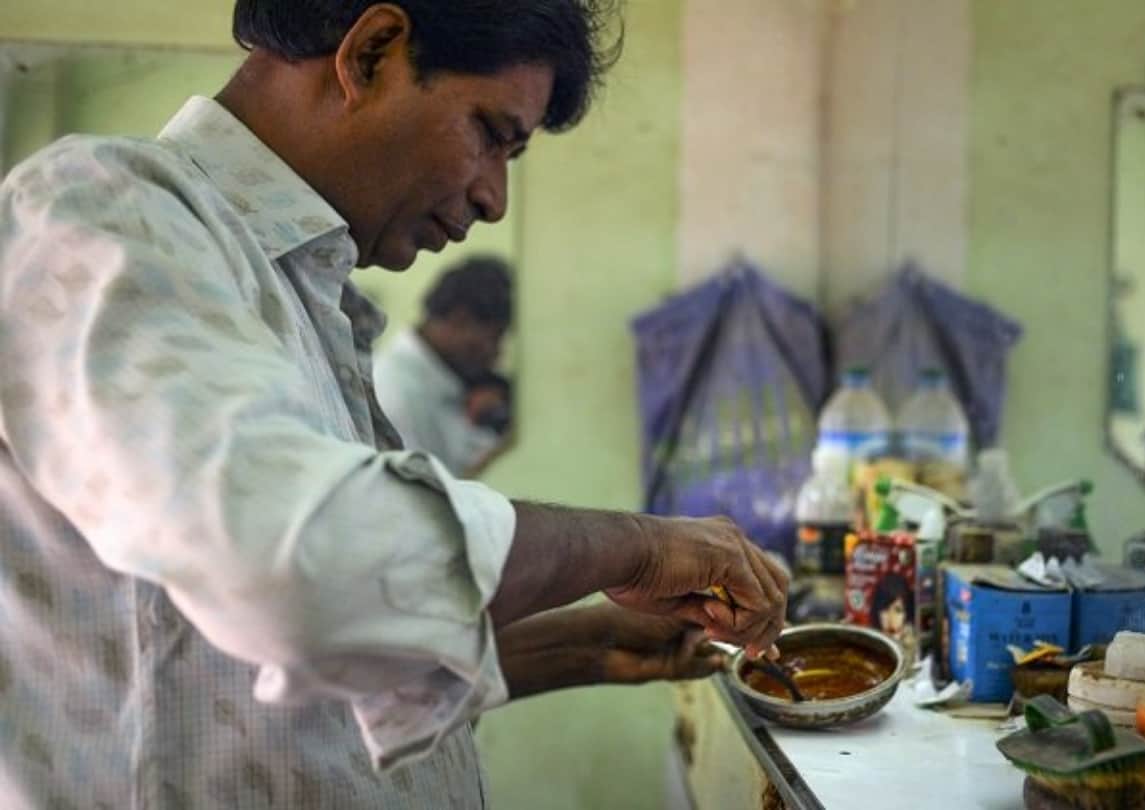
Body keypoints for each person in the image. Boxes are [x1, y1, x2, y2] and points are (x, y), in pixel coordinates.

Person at [0, 1, 788, 808]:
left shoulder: (289, 295)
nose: (493, 199)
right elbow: (300, 574)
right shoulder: (107, 218)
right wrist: (637, 550)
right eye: (490, 133)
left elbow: (274, 674)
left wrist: (579, 646)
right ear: (372, 52)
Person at [374, 255, 515, 476]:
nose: (496, 353)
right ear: (461, 319)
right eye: (496, 336)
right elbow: (416, 497)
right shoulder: (393, 393)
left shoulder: (450, 382)